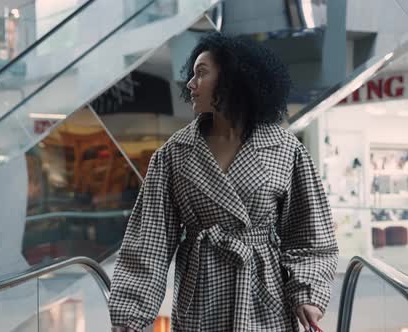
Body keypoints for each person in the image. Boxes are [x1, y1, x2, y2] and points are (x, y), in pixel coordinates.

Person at [107, 32, 339, 331]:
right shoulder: (174, 154)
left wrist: (307, 293)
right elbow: (148, 242)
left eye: (201, 73)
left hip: (264, 296)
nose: (190, 85)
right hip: (201, 295)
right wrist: (130, 316)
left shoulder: (285, 149)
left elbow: (311, 235)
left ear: (233, 79)